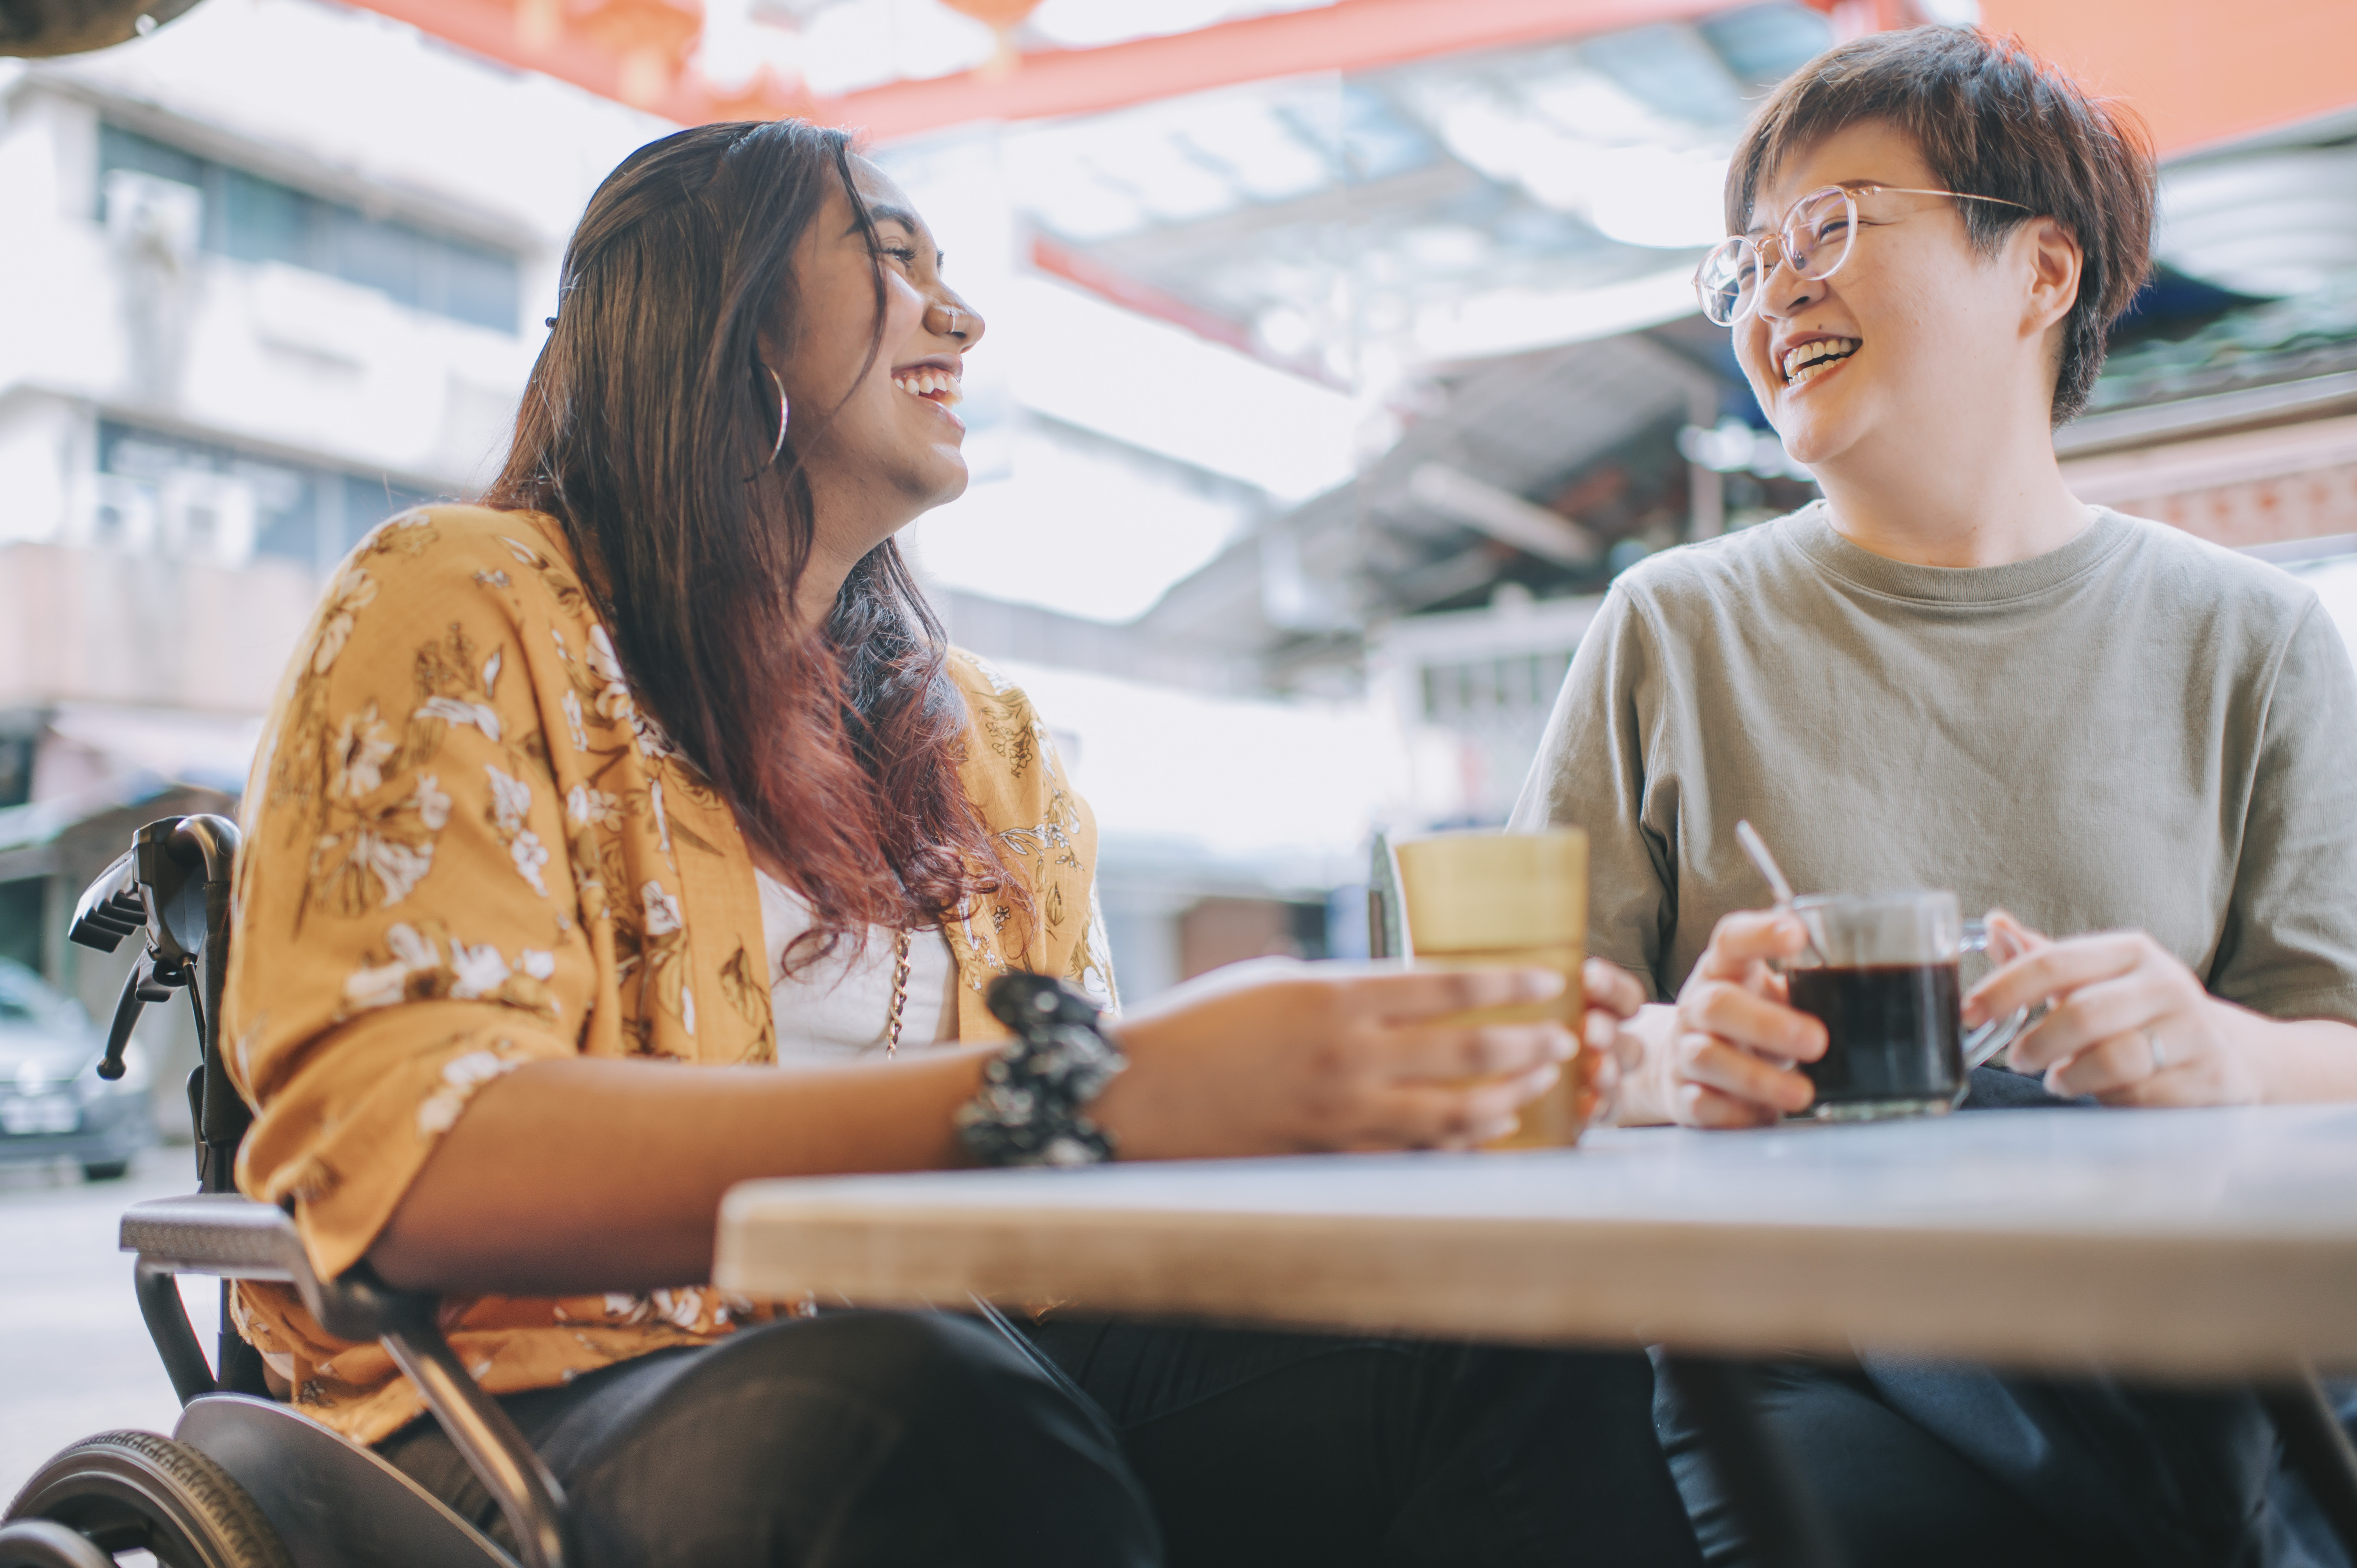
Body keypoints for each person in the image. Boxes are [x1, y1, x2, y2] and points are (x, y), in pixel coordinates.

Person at [222, 120, 1701, 1567]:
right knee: (920, 1417)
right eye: (891, 255)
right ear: (719, 313)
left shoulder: (987, 744)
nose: (963, 314)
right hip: (526, 1408)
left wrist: (1325, 1100)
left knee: (1500, 1324)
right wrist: (1081, 1095)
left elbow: (1092, 1212)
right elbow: (416, 1169)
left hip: (978, 1369)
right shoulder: (464, 602)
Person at [1510, 23, 2357, 1568]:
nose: (1774, 290)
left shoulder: (2256, 635)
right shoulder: (1670, 626)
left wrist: (2220, 1050)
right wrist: (1669, 1055)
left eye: (1829, 227)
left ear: (2041, 271)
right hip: (1795, 1345)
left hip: (2184, 1349)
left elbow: (2340, 1060)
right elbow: (1505, 1044)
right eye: (1747, 263)